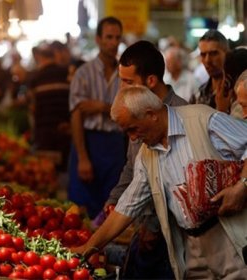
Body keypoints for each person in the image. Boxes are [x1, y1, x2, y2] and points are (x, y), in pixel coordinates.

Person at [72, 85, 247, 279]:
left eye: (133, 129)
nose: (133, 138)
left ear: (151, 114)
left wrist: (242, 186)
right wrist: (90, 247)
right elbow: (127, 207)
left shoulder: (202, 119)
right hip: (191, 246)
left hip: (228, 236)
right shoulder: (146, 156)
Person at [101, 40, 187, 279]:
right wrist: (115, 199)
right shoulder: (135, 109)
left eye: (128, 82)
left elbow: (180, 184)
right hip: (143, 225)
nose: (122, 88)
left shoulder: (181, 114)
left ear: (150, 81)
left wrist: (153, 225)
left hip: (174, 236)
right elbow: (132, 166)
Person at [68, 16, 126, 219]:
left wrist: (101, 107)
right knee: (83, 208)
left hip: (116, 144)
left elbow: (128, 114)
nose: (113, 42)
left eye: (117, 37)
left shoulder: (125, 75)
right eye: (108, 37)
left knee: (112, 205)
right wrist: (83, 157)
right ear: (99, 39)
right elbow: (76, 116)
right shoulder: (83, 73)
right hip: (88, 142)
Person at [196, 29, 229, 111]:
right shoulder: (199, 94)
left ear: (227, 53)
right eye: (203, 55)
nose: (207, 60)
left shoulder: (237, 91)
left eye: (214, 54)